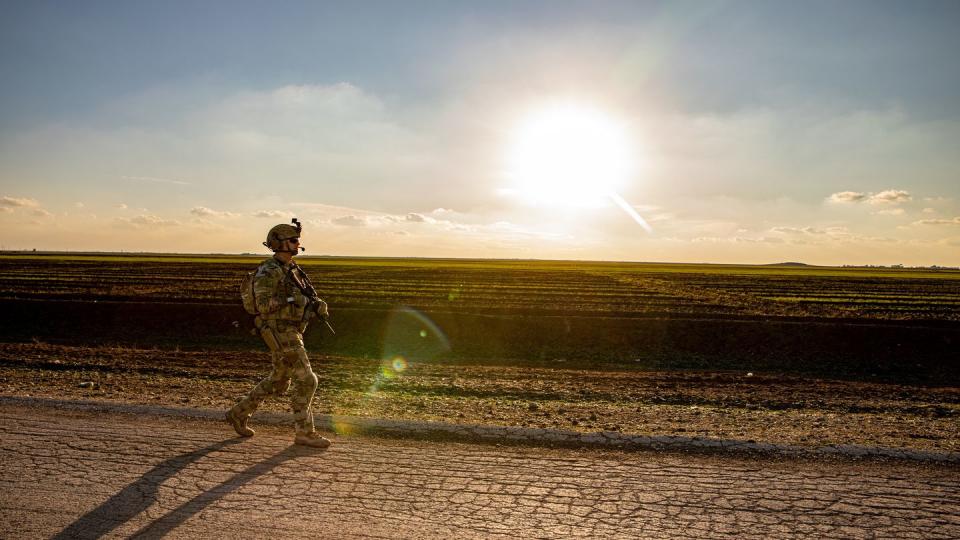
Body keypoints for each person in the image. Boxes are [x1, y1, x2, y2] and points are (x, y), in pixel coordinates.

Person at [226, 218, 331, 448]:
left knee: (278, 379)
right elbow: (264, 305)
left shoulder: (292, 269)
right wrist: (295, 299)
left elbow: (306, 296)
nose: (297, 244)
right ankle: (305, 432)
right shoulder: (268, 270)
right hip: (279, 331)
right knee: (307, 379)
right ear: (279, 243)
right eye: (293, 240)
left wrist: (317, 304)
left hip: (292, 329)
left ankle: (238, 412)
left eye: (297, 240)